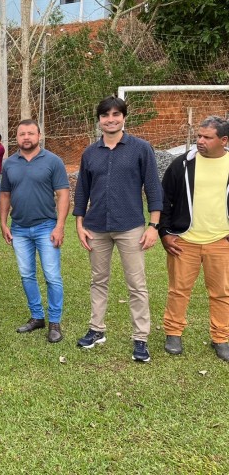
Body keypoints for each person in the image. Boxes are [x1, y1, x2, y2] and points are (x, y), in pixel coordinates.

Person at [73, 95, 163, 362]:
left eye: (115, 114)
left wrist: (153, 225)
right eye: (105, 115)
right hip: (96, 228)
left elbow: (153, 188)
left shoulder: (141, 148)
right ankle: (96, 330)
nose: (110, 119)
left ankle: (141, 338)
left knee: (136, 284)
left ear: (124, 117)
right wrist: (79, 223)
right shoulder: (90, 153)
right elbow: (82, 191)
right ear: (99, 120)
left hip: (130, 227)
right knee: (98, 281)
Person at [159, 116, 229, 362]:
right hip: (184, 240)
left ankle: (221, 338)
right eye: (199, 136)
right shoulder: (182, 164)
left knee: (221, 292)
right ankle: (173, 333)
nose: (200, 141)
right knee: (178, 290)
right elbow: (163, 200)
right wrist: (165, 233)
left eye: (207, 137)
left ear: (223, 140)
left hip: (220, 242)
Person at [0, 120, 70, 343]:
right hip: (19, 229)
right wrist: (3, 223)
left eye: (30, 133)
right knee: (26, 274)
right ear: (16, 137)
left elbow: (63, 194)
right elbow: (5, 195)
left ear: (39, 135)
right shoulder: (9, 163)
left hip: (46, 226)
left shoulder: (53, 161)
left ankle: (54, 322)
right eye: (22, 134)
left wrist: (60, 226)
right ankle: (37, 316)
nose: (26, 137)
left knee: (52, 276)